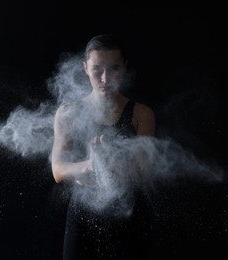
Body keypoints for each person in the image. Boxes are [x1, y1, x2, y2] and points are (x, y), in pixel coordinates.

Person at [51, 34, 156, 259]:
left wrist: (113, 162)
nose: (105, 78)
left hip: (130, 216)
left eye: (114, 69)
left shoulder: (141, 114)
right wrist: (91, 165)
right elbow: (58, 170)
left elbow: (143, 173)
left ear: (125, 68)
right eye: (97, 69)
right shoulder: (68, 113)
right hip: (83, 217)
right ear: (85, 68)